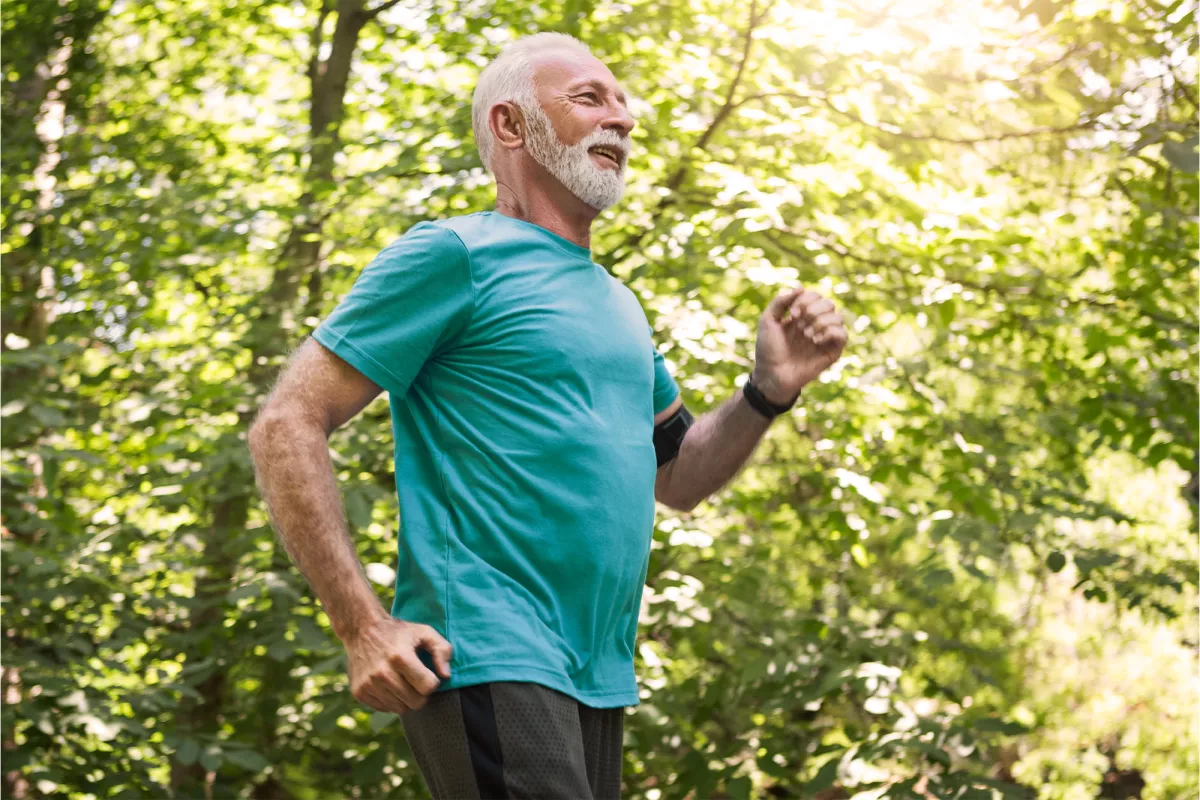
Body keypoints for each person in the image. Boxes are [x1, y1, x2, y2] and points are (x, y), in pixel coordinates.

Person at [247, 31, 847, 800]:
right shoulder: (454, 253)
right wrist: (363, 626)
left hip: (597, 675)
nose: (622, 120)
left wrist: (768, 392)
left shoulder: (618, 304)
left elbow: (680, 473)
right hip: (488, 653)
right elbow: (286, 422)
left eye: (623, 105)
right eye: (590, 99)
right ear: (510, 127)